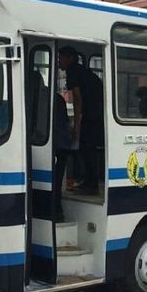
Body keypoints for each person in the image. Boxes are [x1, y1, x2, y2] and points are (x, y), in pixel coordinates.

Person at [58, 46, 104, 195]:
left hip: (92, 114)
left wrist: (76, 125)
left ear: (69, 58)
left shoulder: (73, 72)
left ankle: (92, 185)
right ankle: (89, 182)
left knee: (87, 148)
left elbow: (78, 99)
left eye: (61, 58)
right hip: (96, 112)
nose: (59, 61)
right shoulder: (82, 70)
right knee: (87, 148)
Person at [52, 92, 70, 222]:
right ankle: (57, 213)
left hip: (56, 145)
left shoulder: (36, 97)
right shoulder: (58, 98)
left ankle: (56, 213)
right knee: (57, 183)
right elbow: (66, 122)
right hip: (62, 145)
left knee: (54, 183)